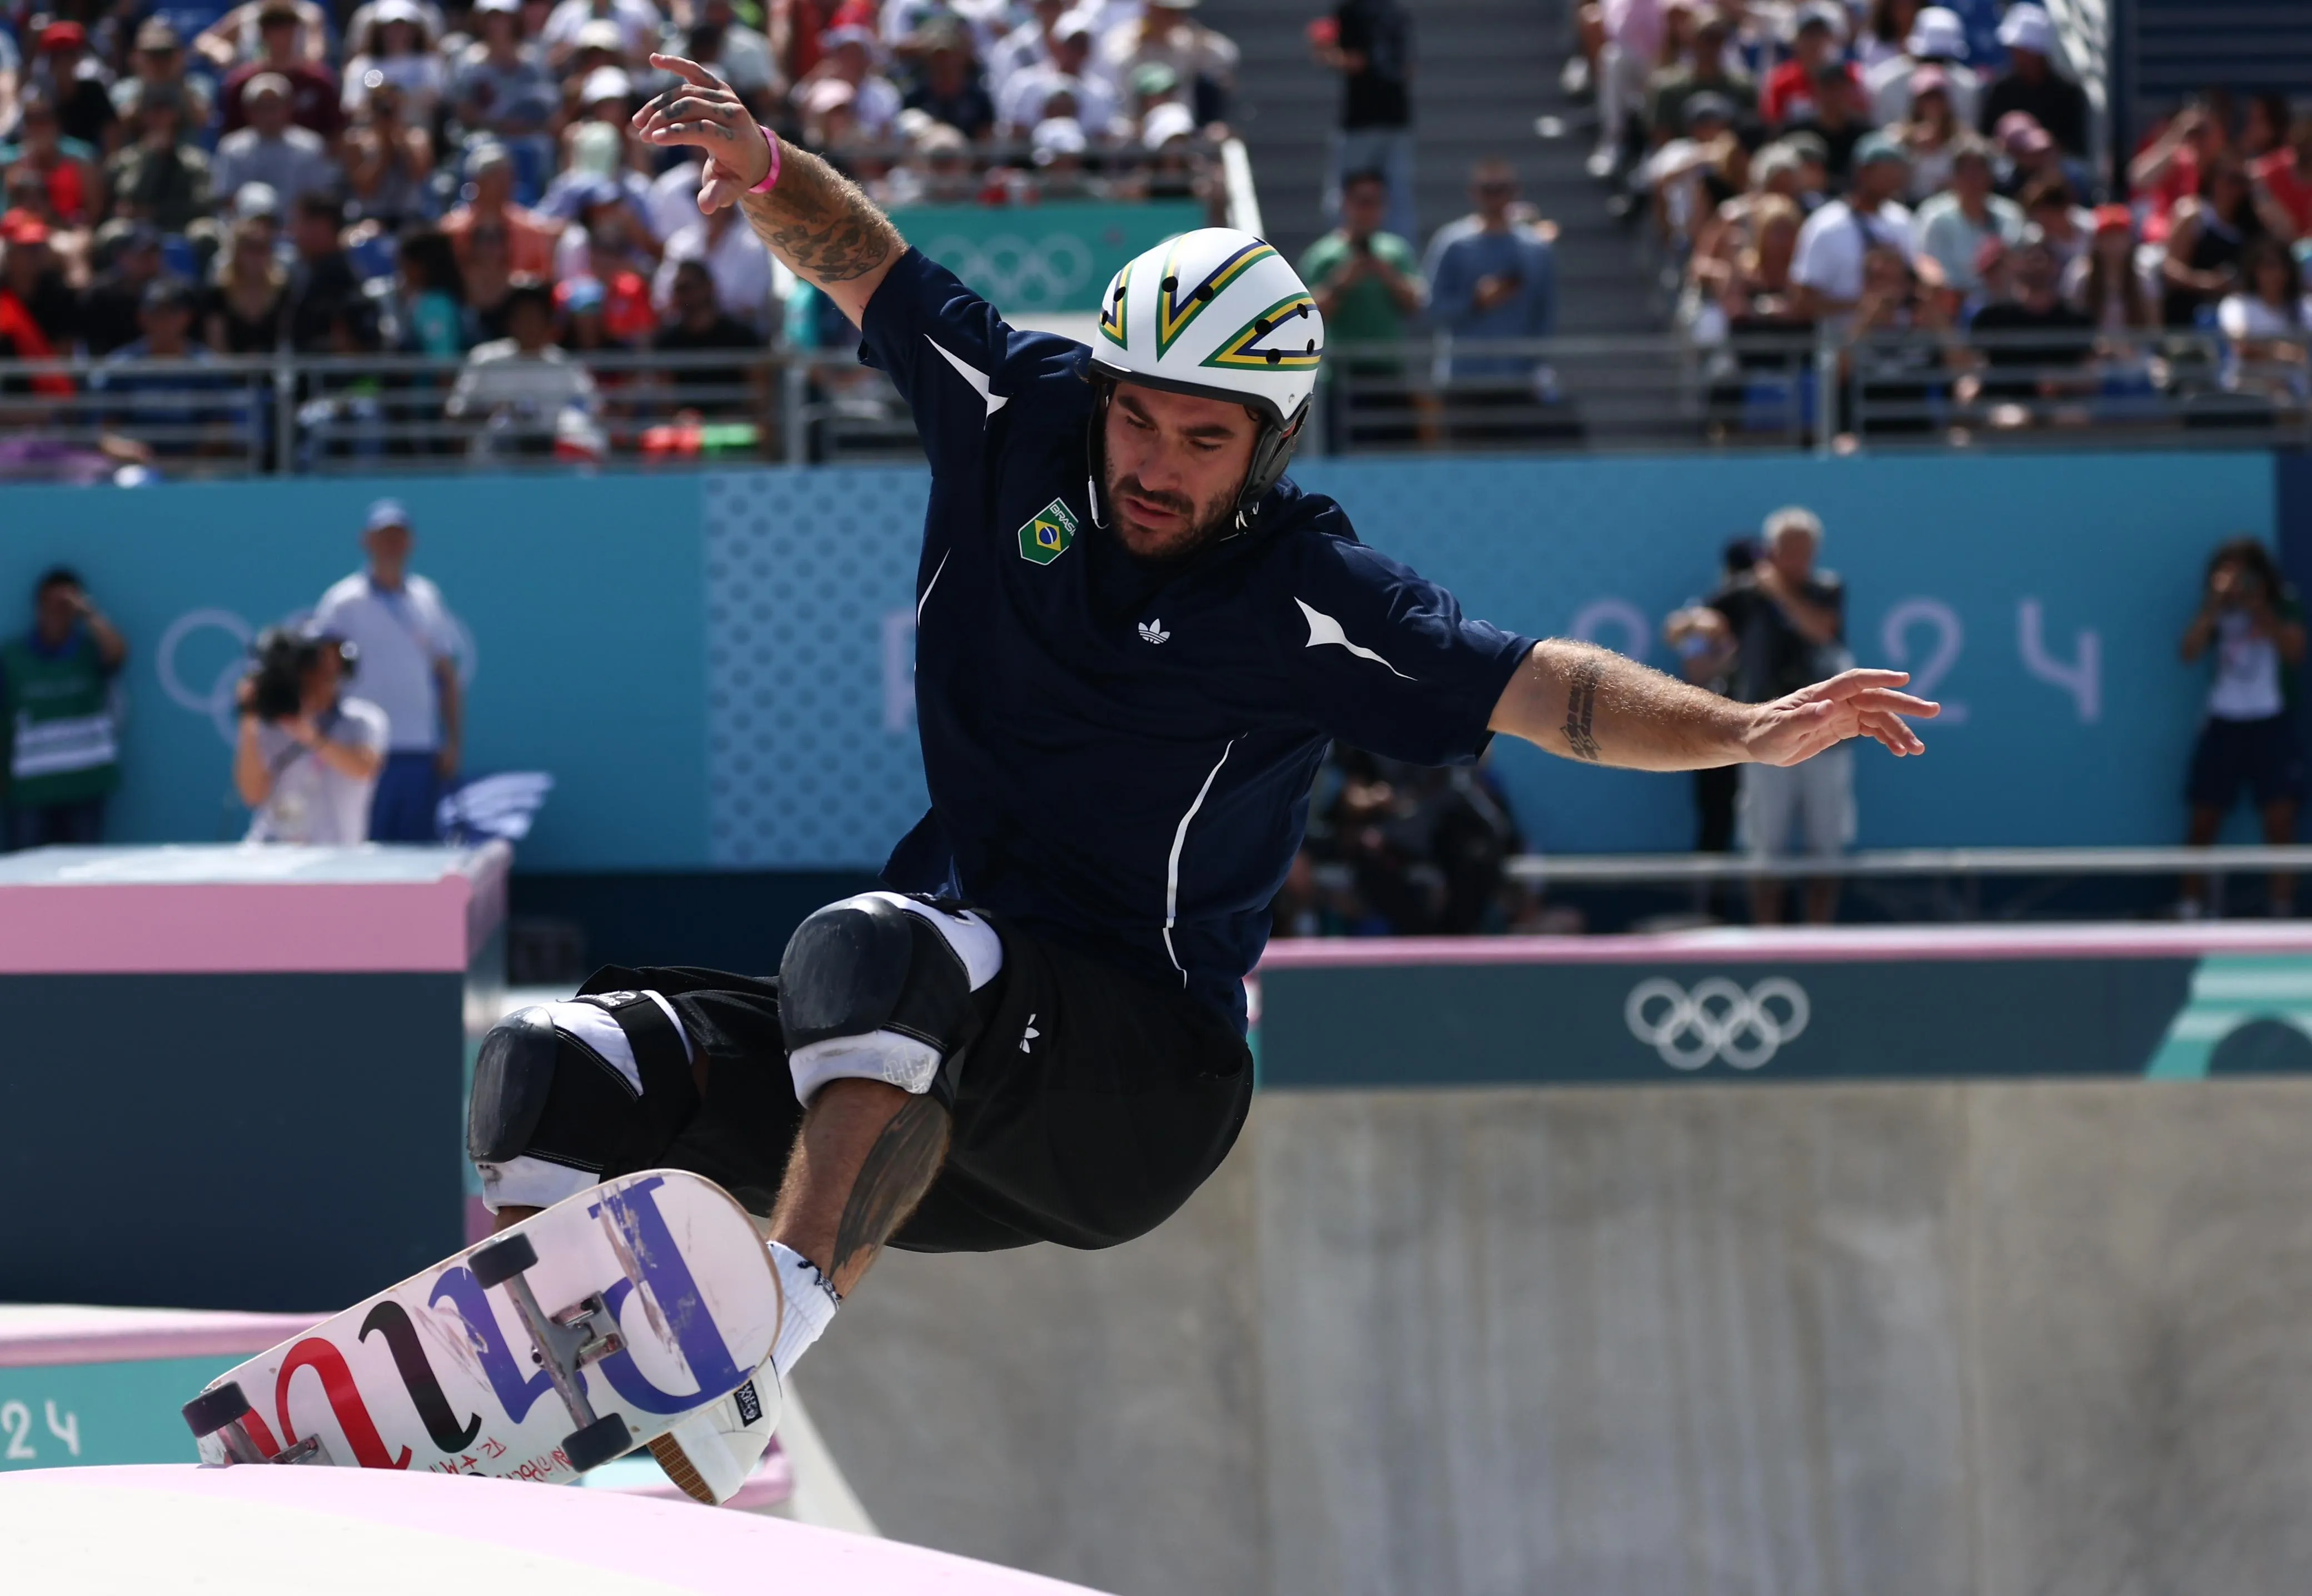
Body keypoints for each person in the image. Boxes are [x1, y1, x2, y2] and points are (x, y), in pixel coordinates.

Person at [452, 53, 1936, 1511]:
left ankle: (755, 1356)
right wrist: (769, 170)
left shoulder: (1310, 592)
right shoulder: (1017, 411)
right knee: (560, 1061)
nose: (1156, 466)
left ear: (1270, 445)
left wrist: (1742, 733)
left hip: (1136, 1086)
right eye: (1136, 420)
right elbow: (867, 261)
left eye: (1204, 441)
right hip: (934, 1078)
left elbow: (1552, 690)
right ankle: (503, 1407)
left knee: (873, 946)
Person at [1707, 506, 1851, 924]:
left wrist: (1777, 591)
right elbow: (1707, 622)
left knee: (1826, 849)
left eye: (1806, 551)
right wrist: (1692, 628)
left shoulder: (1827, 589)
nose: (1799, 561)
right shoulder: (1746, 593)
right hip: (1765, 735)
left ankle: (1819, 938)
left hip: (1827, 735)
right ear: (1772, 551)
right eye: (1790, 551)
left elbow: (1821, 629)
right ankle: (1767, 939)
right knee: (1765, 848)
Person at [312, 500, 467, 842]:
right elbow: (319, 676)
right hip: (362, 749)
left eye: (398, 536)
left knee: (417, 855)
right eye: (383, 536)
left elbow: (446, 675)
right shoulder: (342, 602)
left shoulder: (426, 597)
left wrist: (453, 742)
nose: (391, 545)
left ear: (411, 542)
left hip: (418, 748)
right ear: (365, 540)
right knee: (362, 848)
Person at [2180, 537, 2306, 916]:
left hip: (2271, 720)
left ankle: (2281, 906)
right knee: (2203, 817)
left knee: (2280, 819)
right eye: (2228, 573)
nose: (2237, 583)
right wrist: (2213, 607)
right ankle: (2189, 904)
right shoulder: (2214, 610)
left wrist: (2259, 609)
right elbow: (2188, 653)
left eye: (2244, 574)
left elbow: (2296, 652)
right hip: (2224, 721)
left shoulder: (2283, 602)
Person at [1422, 157, 1559, 435]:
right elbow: (1432, 309)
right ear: (1473, 192)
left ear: (1515, 192)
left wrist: (1538, 368)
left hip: (1517, 380)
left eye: (1502, 189)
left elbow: (1545, 316)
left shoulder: (1536, 250)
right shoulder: (1452, 243)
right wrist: (1475, 302)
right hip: (1464, 380)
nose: (1495, 197)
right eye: (1487, 189)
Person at [1298, 166, 1426, 447]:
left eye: (1376, 202)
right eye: (1362, 201)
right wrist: (1342, 283)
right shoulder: (1324, 256)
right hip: (1342, 379)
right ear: (1346, 204)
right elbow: (1310, 316)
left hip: (1388, 376)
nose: (1369, 210)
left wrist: (1387, 275)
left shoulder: (1396, 252)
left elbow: (1415, 305)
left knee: (1395, 454)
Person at [1, 568, 127, 850]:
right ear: (36, 606)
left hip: (85, 786)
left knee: (83, 880)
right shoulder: (11, 656)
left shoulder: (91, 650)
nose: (55, 612)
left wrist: (89, 613)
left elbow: (119, 654)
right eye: (49, 604)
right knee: (24, 879)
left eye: (64, 605)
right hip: (29, 791)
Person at [235, 628, 390, 846]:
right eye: (311, 666)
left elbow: (365, 769)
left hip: (337, 859)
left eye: (329, 666)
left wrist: (311, 736)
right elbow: (252, 795)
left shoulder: (363, 721)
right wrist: (249, 717)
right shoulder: (269, 725)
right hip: (271, 854)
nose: (320, 676)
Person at [1790, 132, 1919, 327]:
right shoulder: (1826, 225)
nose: (1895, 177)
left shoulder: (1902, 220)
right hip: (1841, 347)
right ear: (1863, 173)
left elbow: (1914, 283)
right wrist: (1862, 307)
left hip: (1900, 349)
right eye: (1887, 170)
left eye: (1897, 169)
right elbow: (1802, 302)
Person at [1314, 0, 1414, 248]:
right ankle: (1352, 258)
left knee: (1352, 199)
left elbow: (1353, 60)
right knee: (1389, 200)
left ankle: (1382, 261)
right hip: (1386, 118)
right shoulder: (1391, 11)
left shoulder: (1359, 10)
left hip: (1371, 120)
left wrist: (1328, 51)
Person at [1977, 4, 2086, 159]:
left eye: (2021, 49)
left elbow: (2074, 146)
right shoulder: (2001, 89)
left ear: (2037, 52)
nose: (2014, 54)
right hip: (2006, 167)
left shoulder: (2067, 93)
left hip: (2052, 169)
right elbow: (1985, 138)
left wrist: (2042, 148)